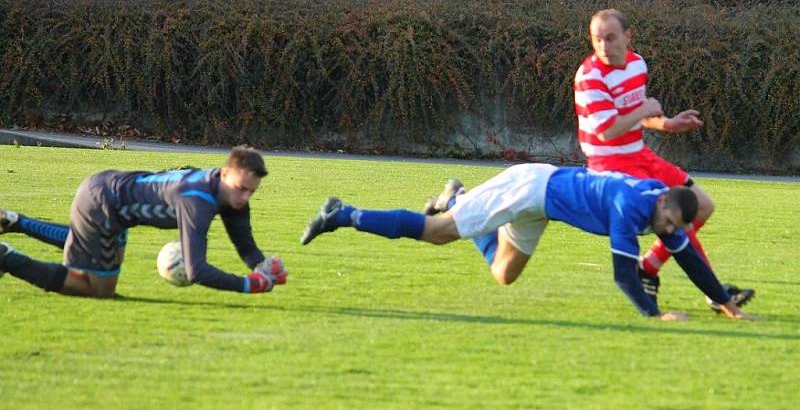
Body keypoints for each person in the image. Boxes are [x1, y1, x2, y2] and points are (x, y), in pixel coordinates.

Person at [300, 163, 754, 321]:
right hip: (528, 189)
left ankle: (456, 196)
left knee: (504, 274)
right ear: (664, 206)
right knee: (438, 234)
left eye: (674, 228)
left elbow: (689, 256)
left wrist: (723, 301)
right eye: (670, 223)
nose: (669, 231)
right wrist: (655, 316)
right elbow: (623, 273)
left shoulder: (664, 209)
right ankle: (344, 214)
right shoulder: (631, 206)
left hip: (543, 205)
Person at [573, 8, 754, 311]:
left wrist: (666, 123)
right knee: (672, 220)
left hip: (639, 154)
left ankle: (649, 268)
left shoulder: (637, 65)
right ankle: (715, 293)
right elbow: (606, 131)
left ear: (628, 37)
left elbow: (638, 117)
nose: (603, 46)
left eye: (611, 38)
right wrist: (645, 111)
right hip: (611, 167)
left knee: (702, 206)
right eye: (597, 39)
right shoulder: (590, 76)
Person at [0, 146, 287, 297]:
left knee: (97, 250)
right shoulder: (197, 200)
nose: (245, 197)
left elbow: (244, 243)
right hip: (103, 202)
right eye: (241, 188)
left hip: (112, 198)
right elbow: (196, 269)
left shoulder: (227, 192)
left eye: (252, 191)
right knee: (95, 288)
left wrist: (261, 267)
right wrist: (249, 285)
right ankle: (7, 259)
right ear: (225, 174)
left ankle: (16, 222)